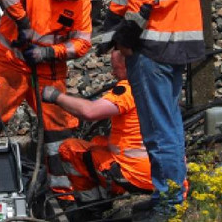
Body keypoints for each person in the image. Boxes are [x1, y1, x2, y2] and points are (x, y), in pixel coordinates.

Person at [97, 0, 205, 221]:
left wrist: (123, 43)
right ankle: (166, 194)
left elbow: (141, 2)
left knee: (159, 131)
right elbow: (123, 2)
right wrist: (102, 37)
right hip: (176, 47)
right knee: (168, 125)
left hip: (152, 50)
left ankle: (169, 203)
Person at [0, 0, 92, 196]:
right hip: (12, 64)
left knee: (59, 134)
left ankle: (64, 192)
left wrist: (49, 52)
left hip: (49, 71)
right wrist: (22, 20)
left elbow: (83, 43)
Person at [40, 51, 153, 211]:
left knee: (70, 149)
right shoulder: (158, 84)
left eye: (116, 68)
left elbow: (90, 112)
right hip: (163, 172)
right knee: (97, 141)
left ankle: (91, 205)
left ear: (129, 66)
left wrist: (56, 96)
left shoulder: (129, 89)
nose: (113, 73)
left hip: (137, 176)